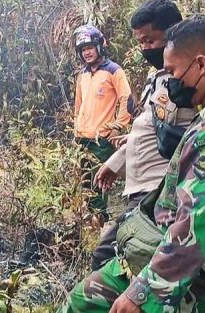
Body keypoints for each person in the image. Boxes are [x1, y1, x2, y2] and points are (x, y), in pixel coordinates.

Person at [58, 14, 205, 313]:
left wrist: (145, 293)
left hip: (177, 269)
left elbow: (197, 222)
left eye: (173, 71)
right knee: (82, 298)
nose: (170, 81)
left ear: (201, 64)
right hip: (156, 246)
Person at [91, 0, 197, 271]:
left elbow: (185, 134)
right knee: (117, 260)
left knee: (110, 259)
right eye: (140, 42)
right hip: (140, 191)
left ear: (173, 32)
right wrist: (116, 162)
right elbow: (154, 128)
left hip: (156, 193)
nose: (144, 48)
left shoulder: (184, 82)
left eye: (150, 40)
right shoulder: (159, 78)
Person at [73, 25, 132, 221]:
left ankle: (100, 225)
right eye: (83, 49)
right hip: (82, 139)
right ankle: (91, 224)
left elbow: (127, 99)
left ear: (99, 46)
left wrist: (118, 126)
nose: (87, 52)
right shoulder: (82, 75)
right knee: (84, 185)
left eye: (90, 47)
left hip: (101, 140)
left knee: (97, 185)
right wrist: (76, 130)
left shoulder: (113, 71)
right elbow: (78, 106)